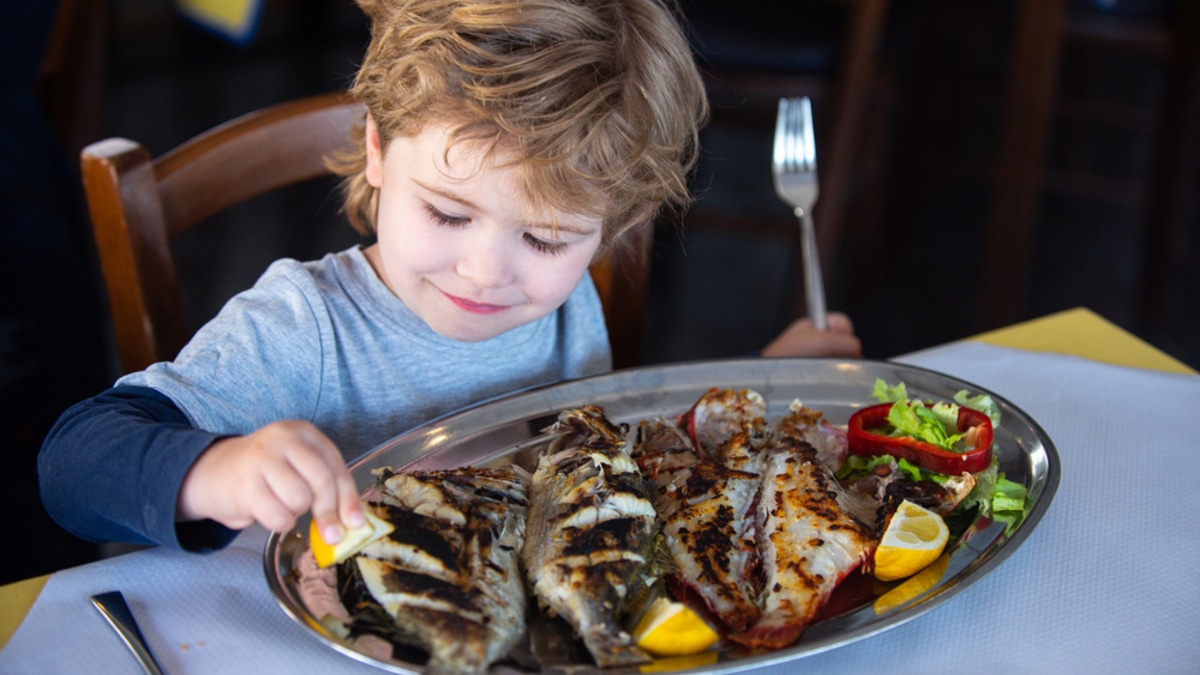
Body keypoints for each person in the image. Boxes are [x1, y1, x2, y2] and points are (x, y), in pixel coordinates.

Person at [39, 0, 860, 555]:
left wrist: (764, 375)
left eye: (544, 237)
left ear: (613, 226)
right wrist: (209, 470)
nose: (485, 270)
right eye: (447, 213)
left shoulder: (568, 300)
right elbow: (73, 463)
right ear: (376, 150)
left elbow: (619, 449)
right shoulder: (302, 331)